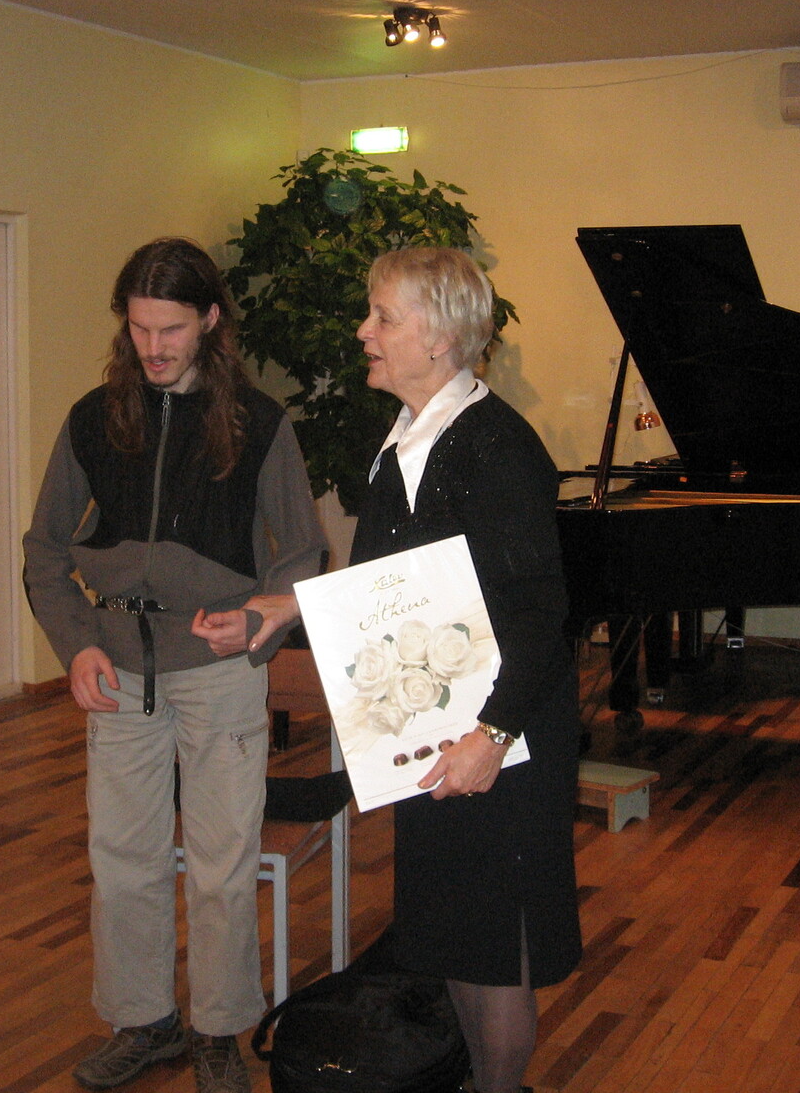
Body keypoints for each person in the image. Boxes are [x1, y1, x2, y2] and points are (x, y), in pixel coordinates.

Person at [228, 246, 583, 1093]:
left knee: (496, 950)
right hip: (437, 731)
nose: (363, 331)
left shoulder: (495, 448)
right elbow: (389, 591)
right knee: (455, 934)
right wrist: (294, 607)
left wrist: (490, 736)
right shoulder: (404, 444)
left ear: (441, 337)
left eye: (383, 317)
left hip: (500, 738)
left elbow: (542, 616)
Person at [23, 237, 327, 1093]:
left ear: (210, 321)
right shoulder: (93, 419)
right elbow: (45, 550)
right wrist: (77, 643)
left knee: (224, 865)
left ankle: (219, 1031)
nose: (154, 348)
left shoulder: (259, 424)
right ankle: (144, 1020)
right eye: (140, 329)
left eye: (172, 329)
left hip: (220, 673)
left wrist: (259, 624)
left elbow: (303, 553)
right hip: (118, 672)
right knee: (124, 860)